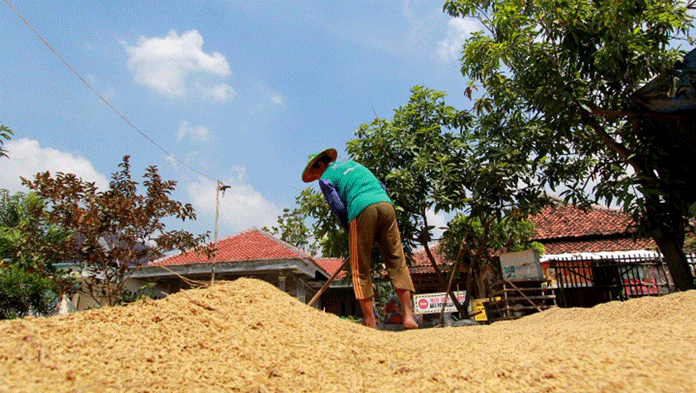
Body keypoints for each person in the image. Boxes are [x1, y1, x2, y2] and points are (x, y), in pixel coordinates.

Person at [302, 148, 418, 329]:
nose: (316, 177)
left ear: (321, 165)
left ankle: (370, 323)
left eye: (315, 172)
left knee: (360, 268)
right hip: (386, 205)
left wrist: (351, 230)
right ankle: (409, 317)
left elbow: (338, 206)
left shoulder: (326, 178)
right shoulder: (355, 165)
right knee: (397, 261)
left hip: (361, 207)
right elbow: (382, 186)